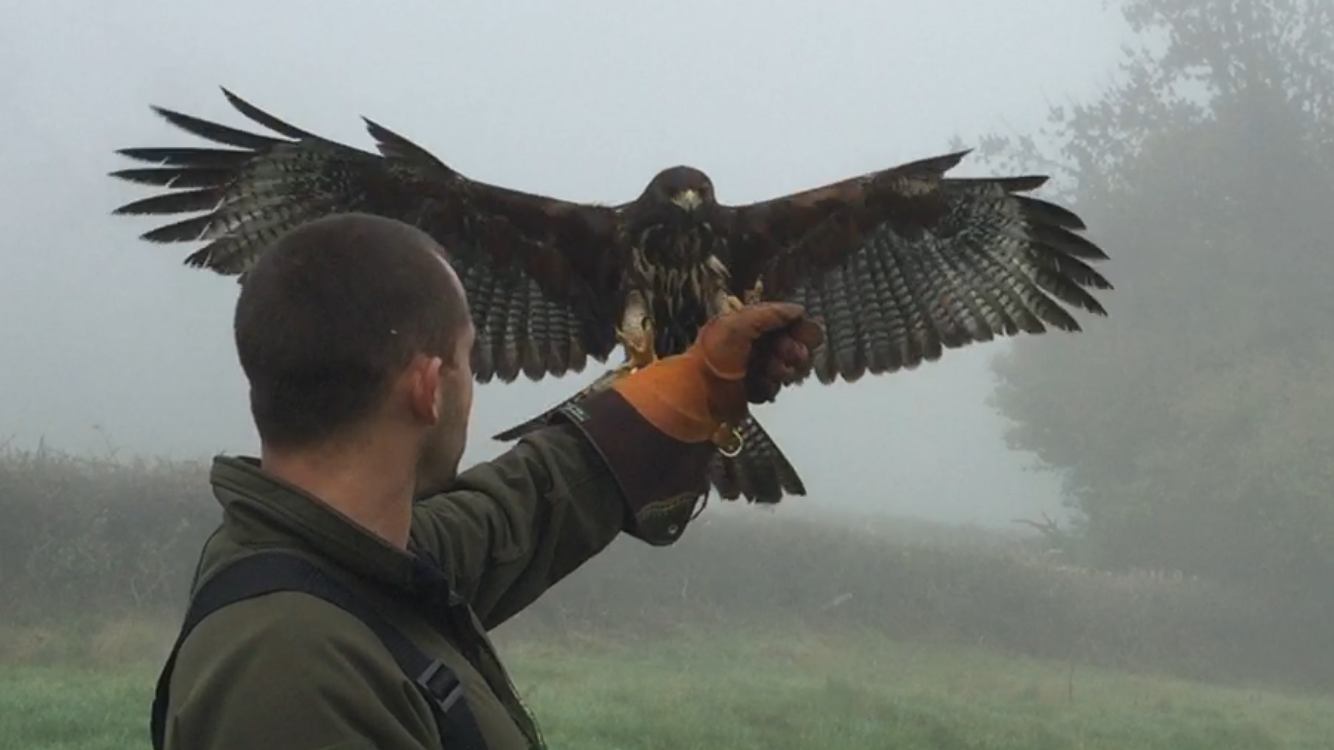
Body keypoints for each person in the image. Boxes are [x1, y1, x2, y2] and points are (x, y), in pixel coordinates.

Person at [154, 212, 823, 750]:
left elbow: (523, 509)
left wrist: (697, 384)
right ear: (427, 388)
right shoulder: (289, 674)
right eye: (468, 360)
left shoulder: (351, 560)